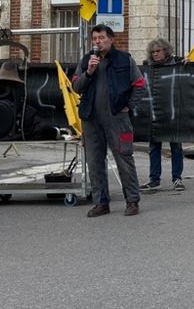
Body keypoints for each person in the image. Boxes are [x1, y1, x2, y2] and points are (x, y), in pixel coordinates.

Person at [73, 24, 147, 217]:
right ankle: (101, 203)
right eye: (95, 38)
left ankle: (132, 200)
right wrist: (88, 72)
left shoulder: (124, 59)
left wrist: (129, 106)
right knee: (94, 162)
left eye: (102, 37)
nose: (98, 41)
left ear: (111, 39)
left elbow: (139, 84)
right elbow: (76, 87)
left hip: (117, 119)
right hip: (91, 119)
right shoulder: (86, 60)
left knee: (124, 159)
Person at [141, 38, 185, 192]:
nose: (155, 54)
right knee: (154, 147)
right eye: (153, 52)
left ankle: (177, 178)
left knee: (176, 147)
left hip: (173, 112)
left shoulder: (178, 64)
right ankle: (154, 179)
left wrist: (188, 65)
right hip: (155, 112)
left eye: (158, 51)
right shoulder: (147, 67)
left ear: (166, 51)